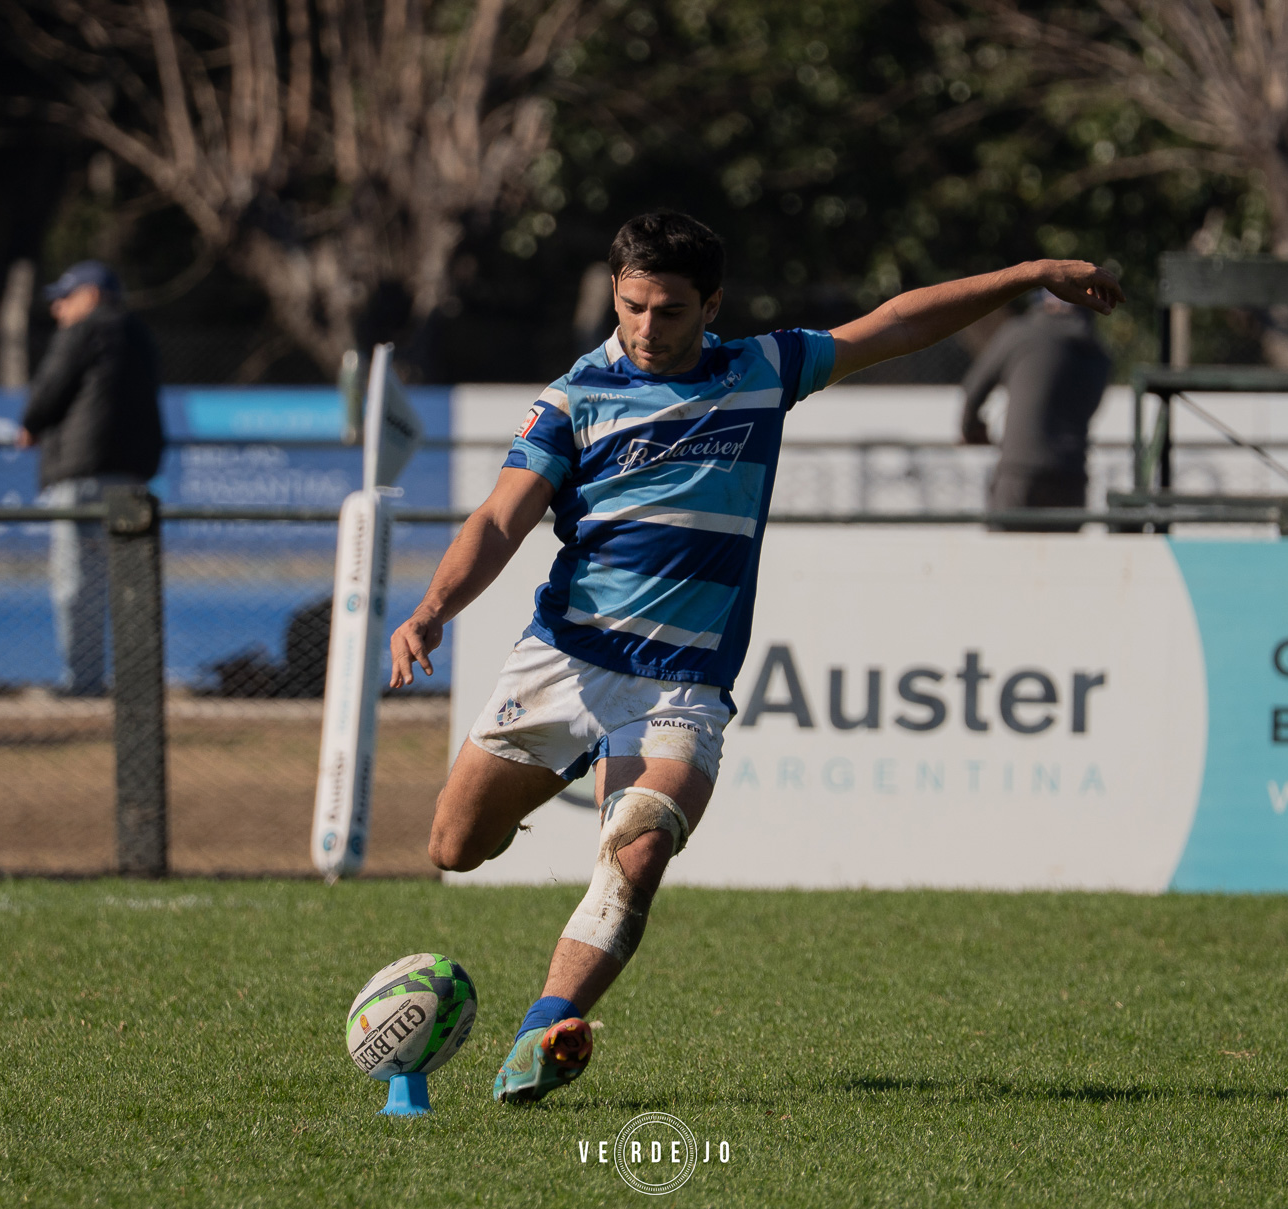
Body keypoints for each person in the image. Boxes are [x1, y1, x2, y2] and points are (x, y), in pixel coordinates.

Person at [387, 211, 1122, 1105]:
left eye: (670, 311)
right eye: (632, 307)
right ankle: (559, 784)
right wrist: (431, 610)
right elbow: (500, 519)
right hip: (565, 662)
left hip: (683, 684)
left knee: (639, 845)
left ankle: (541, 1034)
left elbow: (894, 325)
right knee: (455, 845)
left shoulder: (761, 370)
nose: (647, 330)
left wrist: (1024, 274)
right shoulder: (575, 398)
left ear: (713, 306)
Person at [18, 261, 164, 697]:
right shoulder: (142, 335)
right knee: (129, 584)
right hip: (133, 478)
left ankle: (82, 684)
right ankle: (136, 684)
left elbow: (48, 392)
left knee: (76, 582)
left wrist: (31, 422)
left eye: (66, 298)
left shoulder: (86, 329)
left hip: (83, 476)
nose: (58, 309)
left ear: (92, 295)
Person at [959, 289, 1113, 531]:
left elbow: (973, 390)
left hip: (1019, 473)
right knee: (1059, 565)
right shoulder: (1098, 354)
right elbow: (1091, 407)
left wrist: (972, 429)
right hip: (1071, 476)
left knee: (1005, 561)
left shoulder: (1020, 333)